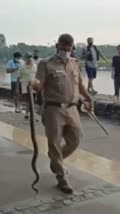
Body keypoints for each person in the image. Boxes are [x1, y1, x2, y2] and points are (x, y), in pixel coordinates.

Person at [32, 34, 93, 194]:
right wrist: (32, 84)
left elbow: (79, 84)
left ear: (72, 48)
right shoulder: (46, 64)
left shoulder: (74, 63)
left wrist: (88, 98)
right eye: (63, 48)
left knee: (75, 139)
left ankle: (55, 160)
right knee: (54, 143)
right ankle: (61, 177)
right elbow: (39, 86)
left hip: (72, 108)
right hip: (53, 109)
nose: (66, 51)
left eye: (69, 49)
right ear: (57, 46)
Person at [16, 52, 38, 119]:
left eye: (30, 57)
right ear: (25, 59)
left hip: (34, 86)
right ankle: (28, 113)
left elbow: (38, 76)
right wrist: (17, 88)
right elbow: (18, 78)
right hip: (25, 86)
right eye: (28, 58)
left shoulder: (35, 66)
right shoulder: (22, 68)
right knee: (28, 101)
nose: (29, 59)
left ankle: (28, 113)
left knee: (32, 101)